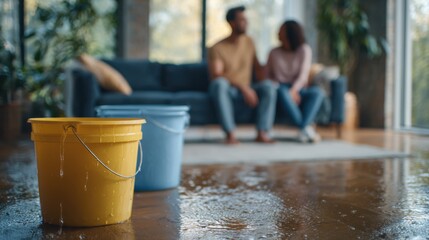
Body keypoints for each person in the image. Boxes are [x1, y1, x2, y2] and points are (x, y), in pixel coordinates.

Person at [208, 6, 277, 144]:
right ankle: (230, 134)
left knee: (269, 86)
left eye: (246, 20)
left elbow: (257, 68)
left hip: (249, 87)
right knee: (219, 84)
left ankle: (262, 132)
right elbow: (217, 75)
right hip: (230, 90)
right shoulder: (217, 48)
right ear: (231, 23)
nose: (246, 23)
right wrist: (244, 88)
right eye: (242, 20)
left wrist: (266, 81)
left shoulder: (249, 42)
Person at [266, 20, 324, 143]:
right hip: (280, 89)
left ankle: (303, 127)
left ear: (290, 33)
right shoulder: (273, 52)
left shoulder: (304, 50)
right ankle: (304, 128)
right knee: (282, 91)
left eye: (281, 30)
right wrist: (282, 88)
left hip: (299, 88)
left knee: (318, 92)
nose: (277, 33)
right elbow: (268, 76)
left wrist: (294, 90)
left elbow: (303, 76)